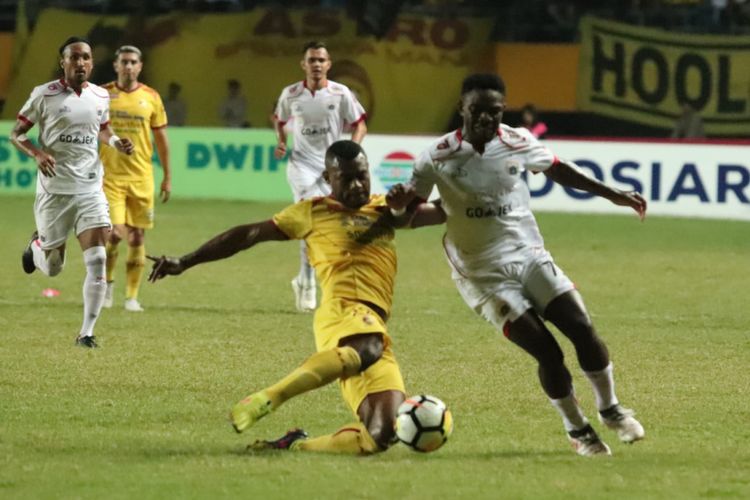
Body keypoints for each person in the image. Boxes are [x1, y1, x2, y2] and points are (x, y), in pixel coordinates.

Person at [388, 73, 647, 457]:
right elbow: (408, 216)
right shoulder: (436, 157)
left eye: (494, 111)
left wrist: (614, 195)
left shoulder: (516, 141)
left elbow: (559, 169)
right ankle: (578, 430)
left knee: (582, 328)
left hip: (528, 256)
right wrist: (397, 206)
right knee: (547, 352)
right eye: (477, 111)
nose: (486, 119)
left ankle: (610, 409)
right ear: (462, 108)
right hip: (482, 274)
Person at [148, 140, 429, 454]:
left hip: (373, 323)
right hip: (343, 311)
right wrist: (186, 261)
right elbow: (248, 234)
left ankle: (294, 446)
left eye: (361, 176)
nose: (356, 184)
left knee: (384, 433)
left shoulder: (384, 210)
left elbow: (444, 214)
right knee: (369, 347)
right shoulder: (313, 212)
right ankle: (267, 399)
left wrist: (408, 204)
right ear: (328, 178)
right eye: (346, 178)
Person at [10, 36, 134, 348]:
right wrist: (38, 154)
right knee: (53, 269)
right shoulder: (44, 95)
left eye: (86, 58)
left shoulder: (100, 96)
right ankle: (37, 247)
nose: (81, 63)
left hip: (90, 188)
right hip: (55, 191)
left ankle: (86, 333)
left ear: (92, 62)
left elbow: (102, 129)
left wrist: (117, 143)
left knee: (97, 259)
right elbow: (16, 134)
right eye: (74, 58)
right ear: (62, 62)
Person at [274, 40, 368, 313]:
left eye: (321, 60)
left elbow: (359, 123)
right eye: (311, 60)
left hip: (333, 167)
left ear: (328, 64)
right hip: (301, 165)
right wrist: (281, 141)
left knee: (333, 221)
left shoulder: (341, 94)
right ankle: (309, 282)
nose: (316, 65)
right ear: (303, 64)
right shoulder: (290, 94)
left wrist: (353, 149)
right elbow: (278, 119)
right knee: (313, 216)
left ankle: (306, 278)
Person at [100, 45, 171, 312]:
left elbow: (162, 140)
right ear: (116, 65)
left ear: (140, 66)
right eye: (124, 62)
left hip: (142, 177)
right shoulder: (103, 94)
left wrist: (167, 177)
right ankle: (107, 284)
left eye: (133, 62)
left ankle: (131, 297)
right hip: (110, 177)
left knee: (137, 238)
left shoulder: (151, 97)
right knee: (115, 234)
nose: (128, 66)